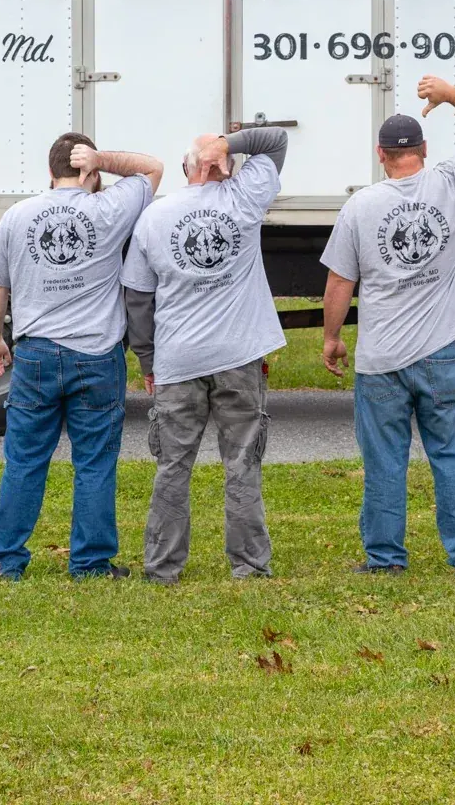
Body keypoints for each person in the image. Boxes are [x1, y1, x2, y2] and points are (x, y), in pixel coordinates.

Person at [319, 76, 455, 576]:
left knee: (385, 464)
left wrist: (332, 338)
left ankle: (385, 560)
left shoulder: (360, 206)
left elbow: (340, 282)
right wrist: (449, 95)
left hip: (380, 360)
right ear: (423, 150)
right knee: (451, 457)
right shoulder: (452, 181)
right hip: (442, 352)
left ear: (381, 155)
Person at [0, 132, 163, 581]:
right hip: (97, 355)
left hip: (36, 353)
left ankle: (4, 561)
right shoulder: (108, 210)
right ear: (92, 173)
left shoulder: (18, 216)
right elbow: (153, 168)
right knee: (95, 462)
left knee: (24, 461)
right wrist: (104, 159)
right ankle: (91, 564)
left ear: (49, 171)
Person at [121, 127, 288, 585]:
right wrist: (229, 148)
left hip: (177, 360)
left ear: (185, 170)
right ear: (221, 168)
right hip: (239, 357)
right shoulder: (243, 200)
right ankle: (250, 566)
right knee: (242, 461)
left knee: (173, 464)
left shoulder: (155, 218)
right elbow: (274, 142)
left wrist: (148, 361)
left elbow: (138, 297)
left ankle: (162, 568)